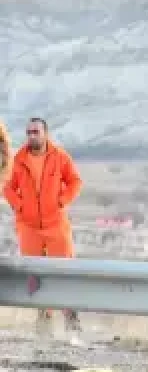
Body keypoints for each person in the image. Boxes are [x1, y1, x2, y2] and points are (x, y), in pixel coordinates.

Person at [3, 118, 84, 331]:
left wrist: (61, 201)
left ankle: (71, 317)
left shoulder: (60, 156)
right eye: (29, 132)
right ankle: (44, 318)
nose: (32, 135)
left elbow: (75, 181)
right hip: (28, 226)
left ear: (45, 133)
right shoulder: (17, 160)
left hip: (56, 223)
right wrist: (19, 205)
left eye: (36, 132)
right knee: (35, 273)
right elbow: (6, 185)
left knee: (64, 269)